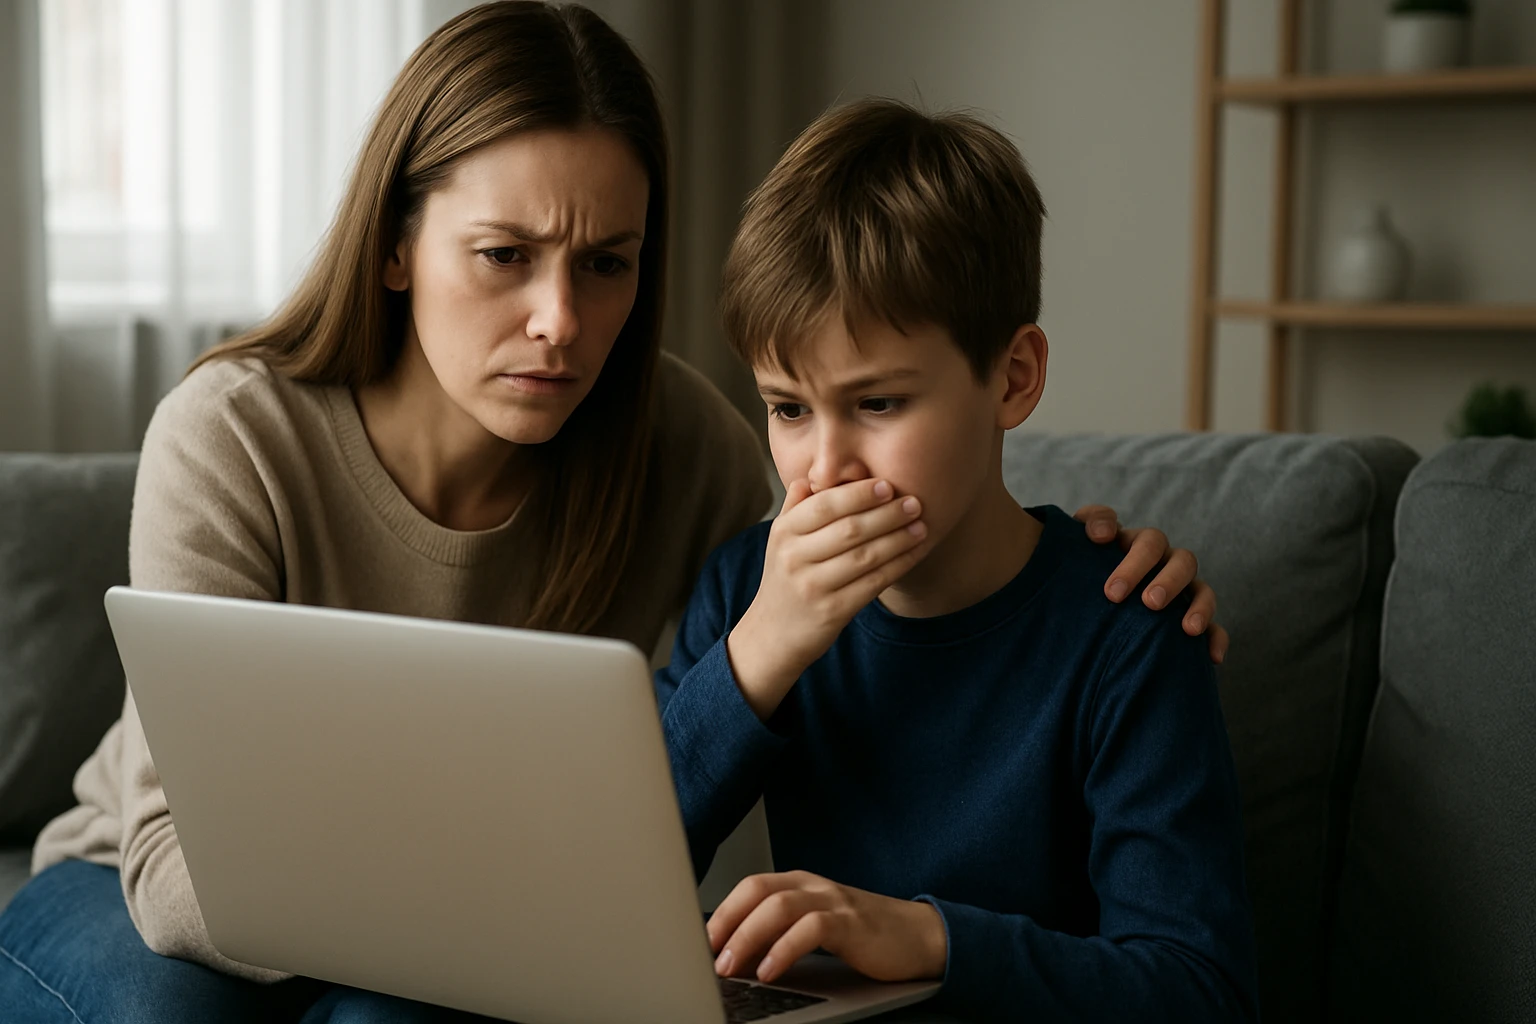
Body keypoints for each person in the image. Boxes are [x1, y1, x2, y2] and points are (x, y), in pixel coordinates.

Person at [0, 4, 1223, 1022]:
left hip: (460, 934)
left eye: (607, 263)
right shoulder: (234, 434)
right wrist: (494, 902)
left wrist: (1120, 558)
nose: (562, 323)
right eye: (502, 256)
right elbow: (175, 878)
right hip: (149, 887)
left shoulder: (688, 448)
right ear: (395, 246)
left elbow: (889, 594)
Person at [656, 99, 1259, 1023]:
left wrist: (932, 940)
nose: (823, 470)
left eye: (880, 404)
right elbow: (614, 879)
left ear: (1012, 379)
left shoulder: (1126, 636)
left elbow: (1200, 989)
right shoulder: (748, 591)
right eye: (787, 409)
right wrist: (759, 654)